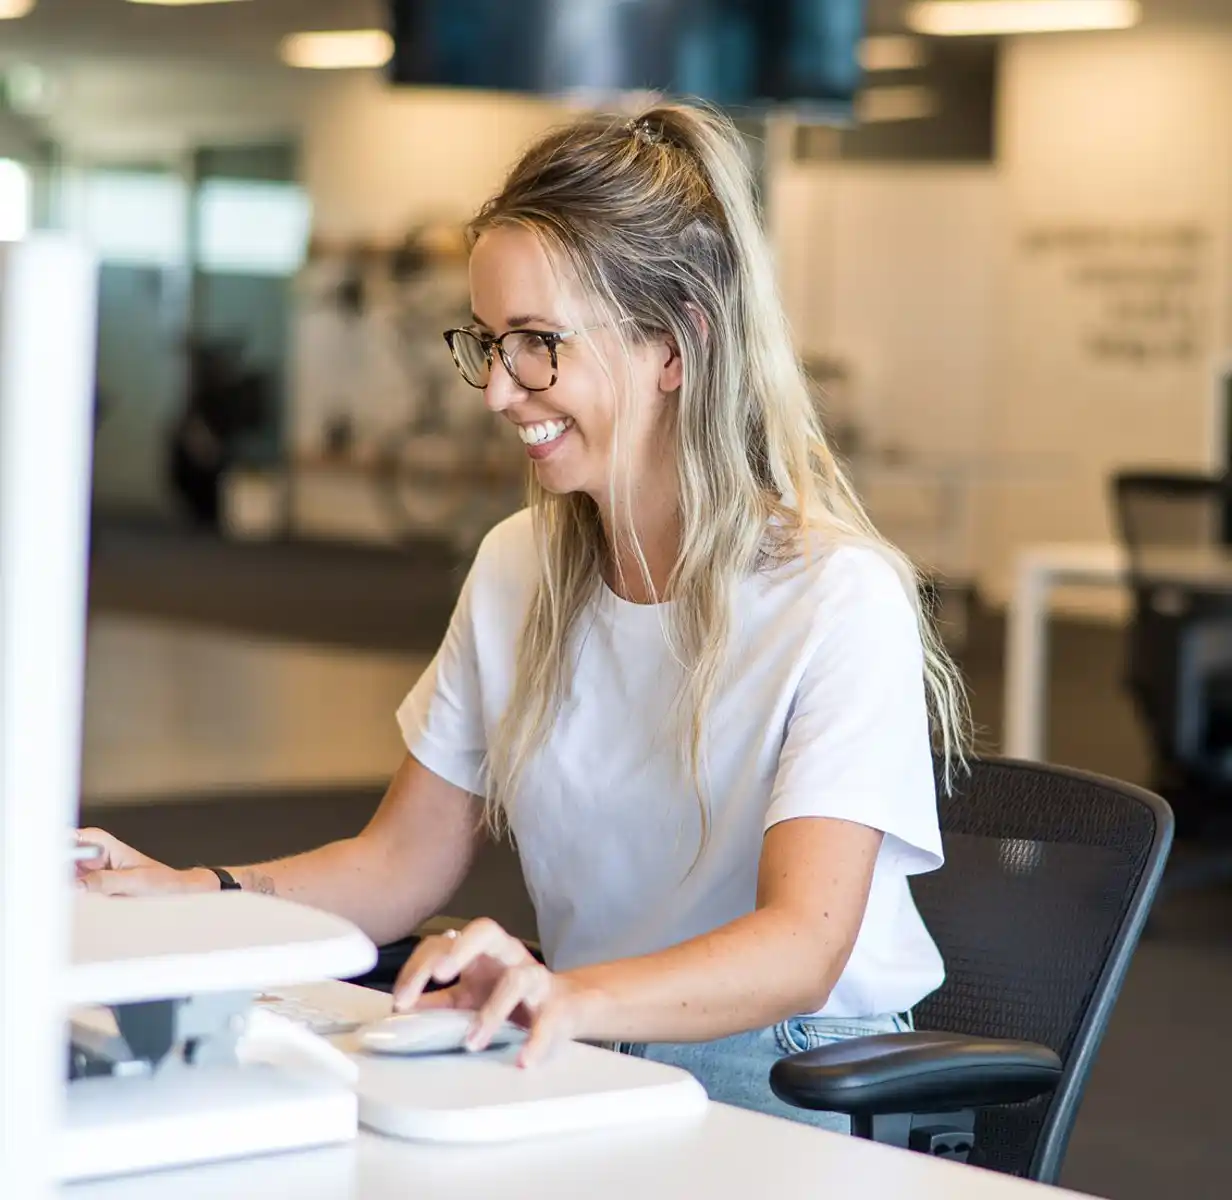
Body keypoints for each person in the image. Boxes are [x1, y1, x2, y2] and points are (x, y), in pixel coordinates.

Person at [78, 103, 970, 1133]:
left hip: (794, 1074)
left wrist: (566, 996)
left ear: (675, 345)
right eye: (489, 344)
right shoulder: (519, 567)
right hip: (587, 1040)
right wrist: (202, 894)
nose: (499, 390)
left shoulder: (833, 594)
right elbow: (397, 863)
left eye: (538, 344)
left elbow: (800, 945)